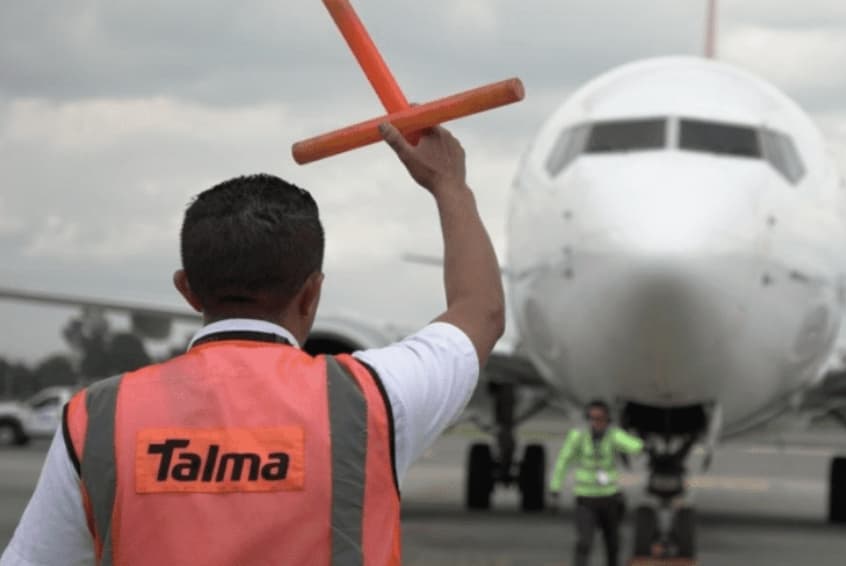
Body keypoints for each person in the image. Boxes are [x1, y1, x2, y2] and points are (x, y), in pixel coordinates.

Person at [0, 123, 504, 566]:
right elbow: (480, 311)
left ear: (187, 288)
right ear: (312, 292)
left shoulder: (97, 418)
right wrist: (449, 185)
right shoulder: (373, 399)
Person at [549, 400, 644, 566]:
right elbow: (563, 461)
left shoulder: (613, 435)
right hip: (586, 498)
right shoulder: (578, 436)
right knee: (584, 542)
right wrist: (555, 487)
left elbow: (635, 447)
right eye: (592, 419)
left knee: (613, 544)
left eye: (600, 419)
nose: (596, 423)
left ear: (607, 420)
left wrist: (632, 432)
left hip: (609, 498)